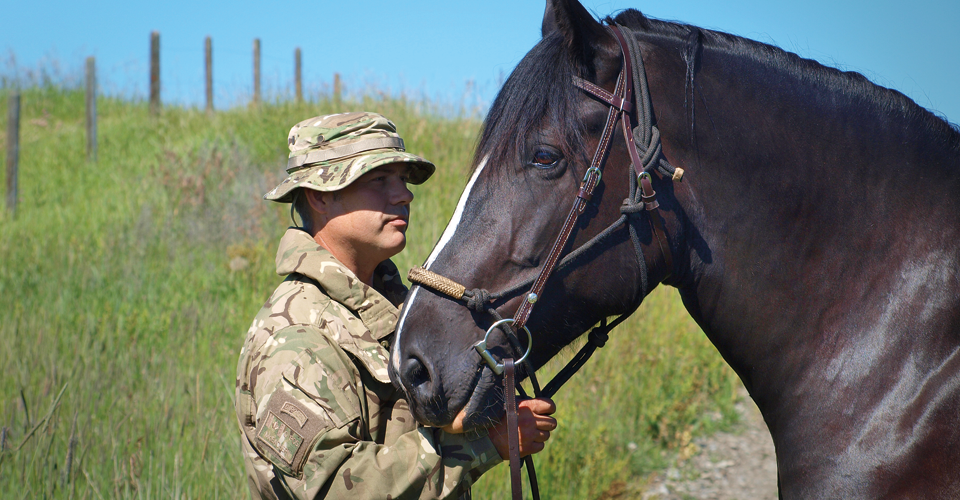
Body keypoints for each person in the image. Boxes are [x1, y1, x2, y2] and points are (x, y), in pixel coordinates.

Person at [235, 112, 558, 499]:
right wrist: (483, 446)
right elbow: (336, 488)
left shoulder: (394, 308)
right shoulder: (297, 337)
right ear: (319, 195)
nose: (404, 195)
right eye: (378, 180)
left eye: (403, 180)